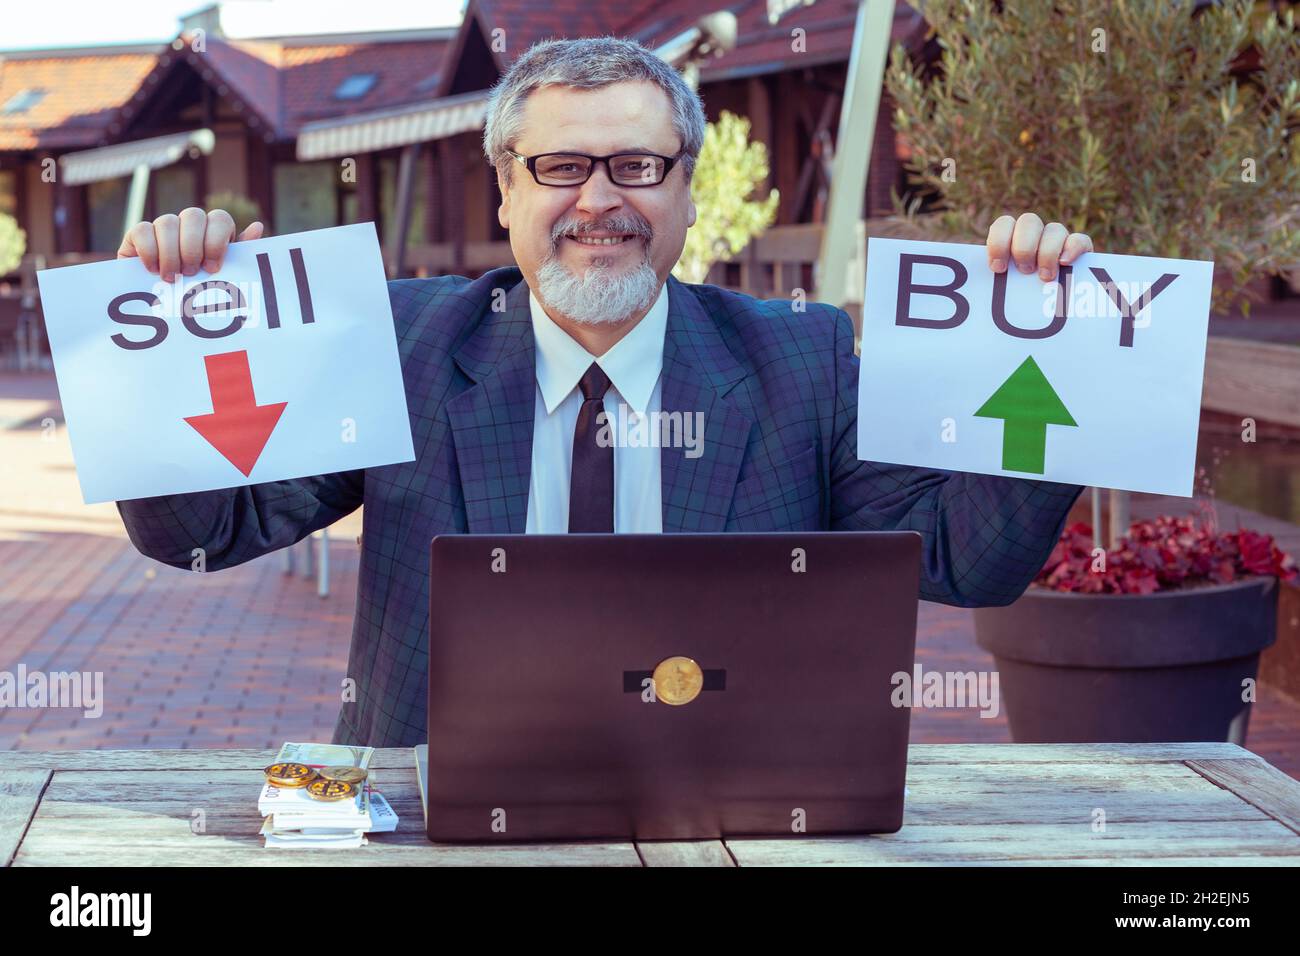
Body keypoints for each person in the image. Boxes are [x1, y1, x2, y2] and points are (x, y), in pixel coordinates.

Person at [115, 36, 1093, 748]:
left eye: (636, 165)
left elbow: (972, 563)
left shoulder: (805, 360)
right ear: (504, 190)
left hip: (725, 816)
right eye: (559, 167)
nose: (597, 198)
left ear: (684, 192)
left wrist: (1056, 343)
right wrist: (160, 341)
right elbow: (203, 532)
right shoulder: (399, 345)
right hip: (435, 819)